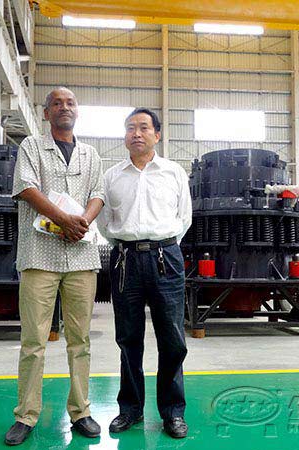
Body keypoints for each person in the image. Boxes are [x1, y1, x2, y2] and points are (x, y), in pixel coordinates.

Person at [5, 87, 105, 446]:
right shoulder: (31, 147)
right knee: (33, 340)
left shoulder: (91, 154)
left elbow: (98, 194)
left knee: (80, 340)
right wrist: (64, 220)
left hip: (81, 256)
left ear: (77, 111)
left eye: (70, 103)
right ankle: (26, 415)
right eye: (57, 103)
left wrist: (82, 222)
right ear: (46, 113)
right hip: (39, 257)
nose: (64, 107)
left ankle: (81, 411)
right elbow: (26, 189)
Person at [97, 108, 192, 439]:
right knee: (128, 338)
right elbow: (104, 222)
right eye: (130, 128)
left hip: (167, 257)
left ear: (157, 135)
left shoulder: (173, 172)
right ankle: (130, 409)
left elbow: (184, 218)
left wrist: (162, 244)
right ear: (125, 136)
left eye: (143, 127)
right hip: (125, 260)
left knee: (172, 339)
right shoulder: (112, 176)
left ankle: (173, 412)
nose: (136, 133)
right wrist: (126, 244)